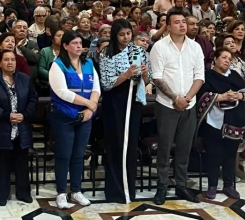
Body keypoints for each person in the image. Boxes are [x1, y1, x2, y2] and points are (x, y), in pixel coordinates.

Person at [150, 11, 205, 205]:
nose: (182, 25)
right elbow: (157, 77)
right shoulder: (159, 47)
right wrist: (174, 97)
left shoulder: (195, 47)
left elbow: (199, 76)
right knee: (164, 148)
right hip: (167, 105)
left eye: (184, 22)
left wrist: (187, 98)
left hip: (189, 104)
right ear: (168, 25)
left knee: (184, 147)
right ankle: (162, 187)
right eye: (177, 22)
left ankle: (181, 186)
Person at [98, 19, 151, 203]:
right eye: (122, 34)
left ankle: (129, 189)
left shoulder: (139, 51)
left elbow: (148, 79)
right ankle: (115, 190)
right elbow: (106, 83)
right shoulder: (106, 53)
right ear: (115, 35)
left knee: (130, 146)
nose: (126, 37)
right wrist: (126, 75)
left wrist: (143, 74)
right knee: (116, 144)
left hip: (133, 100)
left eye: (128, 33)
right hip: (114, 102)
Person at [48, 31, 100, 209]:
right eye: (75, 43)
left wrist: (89, 109)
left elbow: (96, 87)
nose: (79, 46)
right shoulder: (57, 65)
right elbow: (62, 92)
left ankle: (76, 190)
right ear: (65, 46)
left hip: (86, 116)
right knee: (64, 155)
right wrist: (90, 104)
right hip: (65, 116)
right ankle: (61, 192)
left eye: (80, 43)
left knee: (79, 155)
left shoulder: (88, 63)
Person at [0, 49, 37, 206]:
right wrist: (7, 115)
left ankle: (23, 193)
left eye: (12, 59)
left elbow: (33, 100)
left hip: (22, 128)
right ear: (0, 63)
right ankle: (1, 194)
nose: (10, 62)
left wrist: (24, 114)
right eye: (6, 59)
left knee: (22, 163)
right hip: (2, 129)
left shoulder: (25, 79)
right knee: (2, 164)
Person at [197, 47, 245, 200]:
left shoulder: (234, 75)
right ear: (215, 59)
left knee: (230, 154)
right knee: (214, 154)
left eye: (230, 58)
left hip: (234, 122)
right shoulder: (207, 76)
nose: (227, 60)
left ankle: (229, 185)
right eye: (224, 57)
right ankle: (212, 186)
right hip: (214, 121)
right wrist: (221, 97)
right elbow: (202, 95)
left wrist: (238, 95)